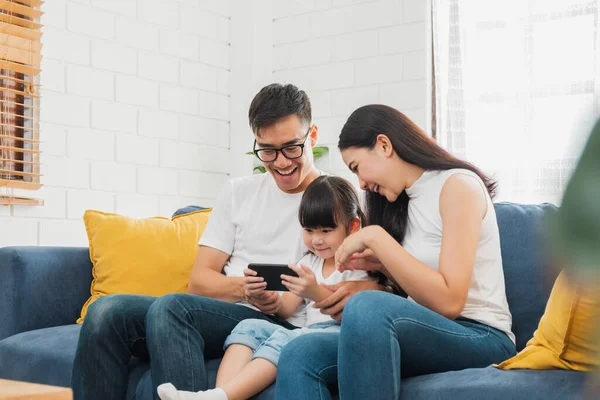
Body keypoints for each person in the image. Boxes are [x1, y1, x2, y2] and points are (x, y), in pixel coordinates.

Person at [71, 84, 383, 400]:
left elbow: (375, 281)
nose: (281, 162)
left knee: (172, 307)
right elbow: (199, 282)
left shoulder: (342, 200)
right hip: (222, 314)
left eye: (292, 147)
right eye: (267, 150)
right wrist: (247, 290)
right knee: (106, 312)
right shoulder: (238, 192)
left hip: (290, 324)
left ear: (312, 136)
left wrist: (280, 301)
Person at [276, 104, 518, 400]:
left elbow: (450, 301)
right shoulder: (405, 200)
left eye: (357, 167)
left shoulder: (457, 186)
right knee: (299, 353)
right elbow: (418, 295)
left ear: (384, 145)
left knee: (367, 307)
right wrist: (380, 268)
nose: (361, 183)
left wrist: (377, 239)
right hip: (428, 330)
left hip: (481, 335)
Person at [156, 175, 377, 400]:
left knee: (288, 340)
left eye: (326, 231)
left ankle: (221, 396)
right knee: (249, 325)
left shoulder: (360, 264)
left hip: (337, 335)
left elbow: (353, 315)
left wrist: (314, 291)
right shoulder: (308, 262)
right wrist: (267, 297)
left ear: (353, 226)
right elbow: (286, 309)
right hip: (304, 332)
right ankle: (219, 394)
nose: (317, 240)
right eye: (309, 231)